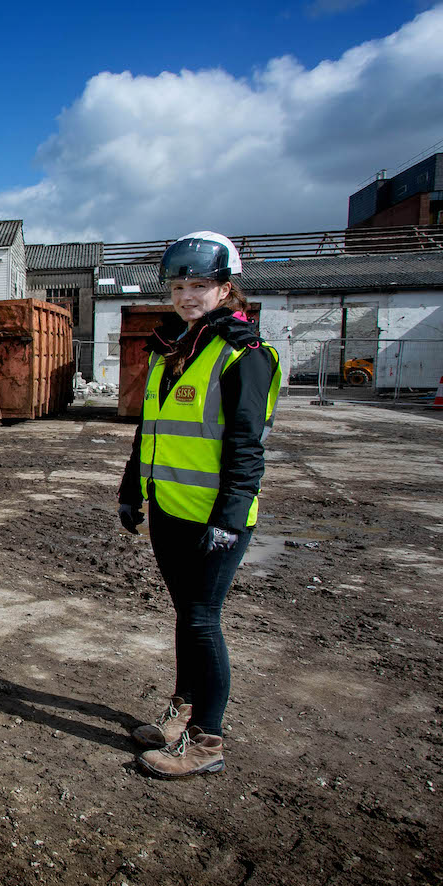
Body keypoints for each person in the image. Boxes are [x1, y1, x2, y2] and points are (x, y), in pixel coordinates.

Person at [118, 232, 281, 778]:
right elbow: (151, 431)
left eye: (200, 286)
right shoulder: (172, 350)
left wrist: (232, 518)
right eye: (179, 286)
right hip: (168, 509)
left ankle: (207, 742)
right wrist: (130, 492)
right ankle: (183, 711)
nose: (187, 296)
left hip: (215, 519)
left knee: (203, 620)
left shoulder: (243, 355)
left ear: (225, 289)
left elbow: (245, 446)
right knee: (188, 619)